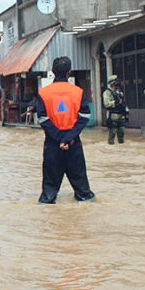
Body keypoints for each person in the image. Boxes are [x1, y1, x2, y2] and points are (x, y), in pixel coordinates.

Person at [36, 56, 95, 204]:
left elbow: (43, 119)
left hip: (52, 143)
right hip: (73, 142)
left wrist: (59, 138)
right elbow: (84, 116)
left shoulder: (44, 93)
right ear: (69, 73)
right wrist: (69, 138)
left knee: (48, 193)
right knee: (83, 191)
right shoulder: (78, 92)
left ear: (52, 71)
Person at [101, 75, 128, 145]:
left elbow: (123, 103)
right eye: (116, 81)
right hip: (112, 116)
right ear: (112, 83)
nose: (117, 83)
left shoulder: (119, 92)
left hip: (121, 116)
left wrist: (126, 112)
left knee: (121, 135)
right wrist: (116, 102)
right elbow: (106, 104)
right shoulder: (107, 93)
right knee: (112, 135)